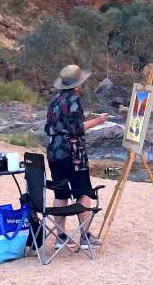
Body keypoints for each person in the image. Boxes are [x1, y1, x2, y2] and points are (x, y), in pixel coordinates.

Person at [45, 64, 109, 247]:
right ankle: (86, 235)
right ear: (77, 84)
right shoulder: (74, 100)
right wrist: (97, 121)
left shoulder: (54, 100)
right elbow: (77, 128)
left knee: (61, 192)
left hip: (54, 153)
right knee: (83, 191)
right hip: (73, 153)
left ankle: (61, 237)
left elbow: (53, 126)